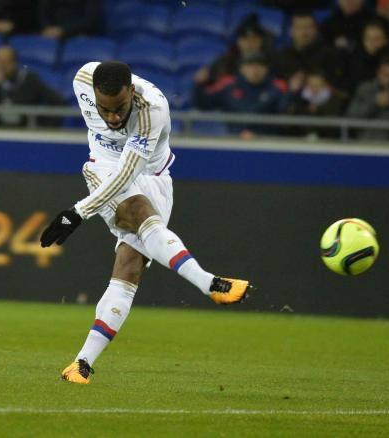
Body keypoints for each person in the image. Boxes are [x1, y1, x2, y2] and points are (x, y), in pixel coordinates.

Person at [39, 61, 252, 384]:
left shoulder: (152, 107)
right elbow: (118, 175)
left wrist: (78, 212)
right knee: (138, 210)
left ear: (131, 93)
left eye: (120, 109)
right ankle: (209, 283)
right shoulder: (82, 79)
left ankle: (81, 364)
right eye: (104, 109)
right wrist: (85, 207)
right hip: (103, 167)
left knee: (129, 266)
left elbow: (130, 172)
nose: (112, 118)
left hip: (152, 175)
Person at [194, 53, 289, 138]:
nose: (255, 70)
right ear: (241, 68)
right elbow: (203, 104)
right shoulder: (228, 84)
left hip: (268, 141)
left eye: (260, 65)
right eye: (250, 65)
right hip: (233, 139)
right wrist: (199, 85)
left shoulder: (278, 86)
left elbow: (285, 113)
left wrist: (293, 93)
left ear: (266, 69)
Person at [0, 46, 64, 126]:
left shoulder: (29, 81)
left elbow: (58, 102)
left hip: (24, 132)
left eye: (5, 62)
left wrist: (44, 128)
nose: (1, 67)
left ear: (14, 63)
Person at [272, 10, 341, 94]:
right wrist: (288, 85)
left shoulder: (329, 54)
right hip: (285, 100)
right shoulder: (281, 55)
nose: (304, 32)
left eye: (308, 27)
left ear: (316, 30)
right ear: (291, 31)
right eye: (299, 27)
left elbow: (334, 84)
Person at [194, 15, 269, 87]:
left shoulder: (272, 61)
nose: (250, 44)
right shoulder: (225, 61)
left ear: (261, 41)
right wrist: (203, 81)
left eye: (254, 39)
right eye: (245, 39)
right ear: (238, 41)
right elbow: (210, 90)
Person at [346, 56, 389, 141]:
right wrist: (374, 103)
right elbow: (351, 118)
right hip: (365, 145)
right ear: (378, 73)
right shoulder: (366, 90)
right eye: (385, 75)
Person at [286, 69, 347, 138]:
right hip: (299, 140)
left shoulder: (333, 100)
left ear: (324, 85)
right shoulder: (298, 98)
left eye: (318, 85)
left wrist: (318, 109)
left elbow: (332, 124)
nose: (314, 89)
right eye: (311, 85)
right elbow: (290, 123)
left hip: (326, 140)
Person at [345, 18, 389, 93]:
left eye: (376, 39)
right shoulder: (355, 56)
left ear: (386, 41)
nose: (371, 43)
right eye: (367, 38)